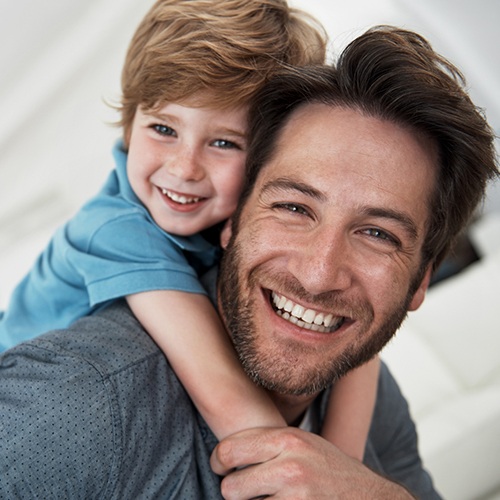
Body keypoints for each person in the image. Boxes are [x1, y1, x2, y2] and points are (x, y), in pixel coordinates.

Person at [1, 25, 497, 498]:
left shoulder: (366, 384)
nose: (318, 275)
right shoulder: (72, 401)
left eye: (376, 234)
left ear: (419, 283)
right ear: (233, 219)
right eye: (294, 208)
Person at [0, 0, 378, 465]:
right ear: (129, 124)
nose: (183, 168)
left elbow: (363, 343)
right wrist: (324, 478)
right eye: (163, 128)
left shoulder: (245, 224)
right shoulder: (112, 230)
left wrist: (344, 467)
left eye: (223, 142)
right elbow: (232, 403)